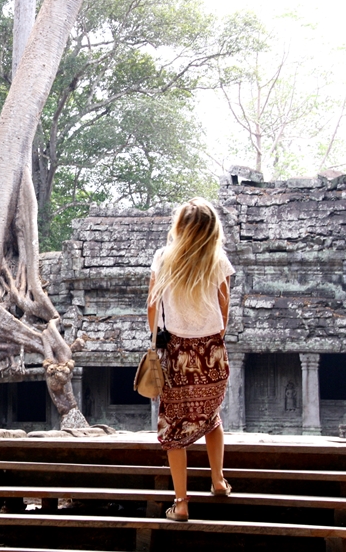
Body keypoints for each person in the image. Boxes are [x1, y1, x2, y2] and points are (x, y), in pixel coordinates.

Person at [147, 198, 234, 522]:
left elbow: (152, 307)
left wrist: (158, 341)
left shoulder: (163, 258)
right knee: (211, 416)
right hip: (212, 350)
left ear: (179, 226)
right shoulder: (217, 258)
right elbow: (224, 306)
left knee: (174, 425)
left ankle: (181, 502)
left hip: (177, 351)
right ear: (212, 229)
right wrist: (214, 336)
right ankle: (218, 480)